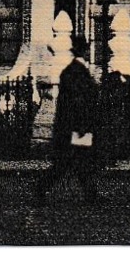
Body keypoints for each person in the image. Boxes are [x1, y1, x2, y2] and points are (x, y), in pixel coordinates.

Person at [34, 35, 101, 204]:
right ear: (82, 50)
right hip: (74, 126)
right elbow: (77, 102)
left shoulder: (74, 70)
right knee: (67, 163)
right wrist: (82, 125)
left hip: (73, 125)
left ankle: (90, 195)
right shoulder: (75, 72)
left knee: (79, 162)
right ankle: (41, 189)